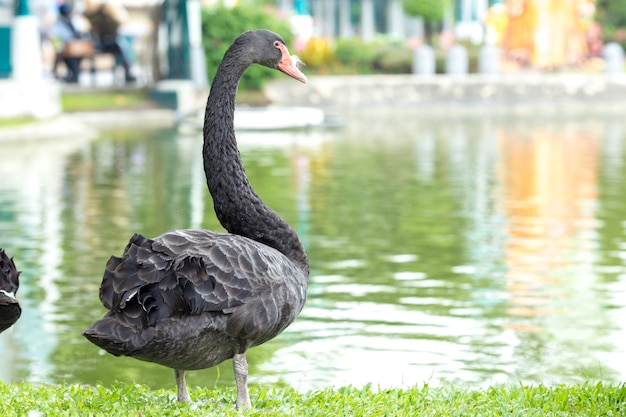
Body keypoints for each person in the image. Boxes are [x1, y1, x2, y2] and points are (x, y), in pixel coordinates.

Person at [83, 0, 137, 83]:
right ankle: (128, 72)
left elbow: (123, 22)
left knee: (122, 46)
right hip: (102, 41)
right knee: (121, 45)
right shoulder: (94, 14)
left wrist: (114, 13)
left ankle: (128, 73)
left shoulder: (112, 15)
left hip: (113, 41)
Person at [48, 3, 90, 83]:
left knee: (74, 64)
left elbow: (84, 30)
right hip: (68, 49)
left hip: (77, 48)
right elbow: (53, 37)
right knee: (71, 63)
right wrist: (58, 47)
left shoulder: (75, 20)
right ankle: (73, 77)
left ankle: (74, 77)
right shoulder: (59, 24)